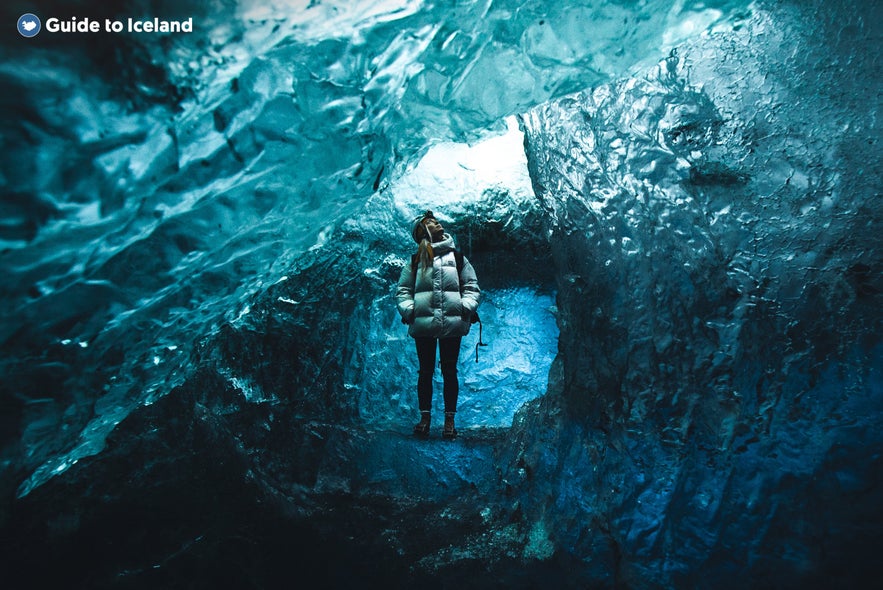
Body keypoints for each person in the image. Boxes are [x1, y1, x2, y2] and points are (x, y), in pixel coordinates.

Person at [395, 210, 481, 439]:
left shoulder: (458, 258)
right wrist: (410, 311)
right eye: (431, 222)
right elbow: (403, 290)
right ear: (424, 231)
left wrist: (465, 307)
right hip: (424, 324)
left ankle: (449, 422)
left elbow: (471, 285)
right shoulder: (415, 260)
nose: (437, 223)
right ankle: (425, 418)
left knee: (449, 371)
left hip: (452, 324)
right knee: (425, 372)